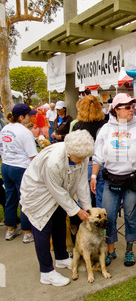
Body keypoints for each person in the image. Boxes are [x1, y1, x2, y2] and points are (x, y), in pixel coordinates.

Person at [20, 130, 94, 287]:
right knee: (42, 228)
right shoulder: (54, 162)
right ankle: (46, 272)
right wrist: (76, 210)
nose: (82, 161)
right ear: (68, 152)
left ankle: (61, 258)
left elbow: (81, 184)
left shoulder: (82, 156)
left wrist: (87, 209)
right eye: (78, 159)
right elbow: (57, 192)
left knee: (60, 222)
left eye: (84, 158)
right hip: (38, 194)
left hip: (61, 193)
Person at [90, 93, 136, 268]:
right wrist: (94, 176)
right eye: (127, 106)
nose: (132, 109)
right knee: (108, 217)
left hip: (133, 180)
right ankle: (111, 251)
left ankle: (129, 250)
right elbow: (97, 156)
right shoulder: (105, 129)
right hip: (111, 180)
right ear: (116, 110)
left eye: (133, 106)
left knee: (131, 217)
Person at [0, 103, 38, 243]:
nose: (31, 118)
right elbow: (33, 156)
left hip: (6, 166)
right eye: (29, 115)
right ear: (21, 117)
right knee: (25, 200)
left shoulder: (5, 129)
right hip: (20, 168)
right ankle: (27, 232)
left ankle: (10, 229)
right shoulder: (25, 132)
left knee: (10, 198)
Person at [73, 95, 107, 207]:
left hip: (85, 163)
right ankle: (101, 222)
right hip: (102, 163)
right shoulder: (105, 125)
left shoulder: (78, 126)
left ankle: (84, 223)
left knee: (84, 198)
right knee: (101, 199)